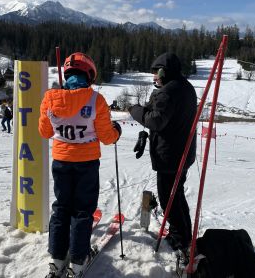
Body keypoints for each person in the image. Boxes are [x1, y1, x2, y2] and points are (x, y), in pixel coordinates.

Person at [39, 52, 121, 278]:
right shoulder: (96, 100)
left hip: (62, 161)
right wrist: (117, 132)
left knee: (62, 208)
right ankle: (77, 262)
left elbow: (44, 132)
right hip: (86, 163)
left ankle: (56, 259)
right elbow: (107, 137)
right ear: (89, 74)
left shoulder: (50, 98)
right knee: (82, 211)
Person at [128, 52, 197, 262]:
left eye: (156, 73)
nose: (154, 77)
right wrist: (148, 105)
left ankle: (179, 237)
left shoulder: (168, 92)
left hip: (170, 155)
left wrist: (134, 110)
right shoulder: (183, 86)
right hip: (181, 152)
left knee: (169, 198)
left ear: (163, 72)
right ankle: (184, 233)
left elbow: (156, 121)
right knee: (177, 195)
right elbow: (161, 111)